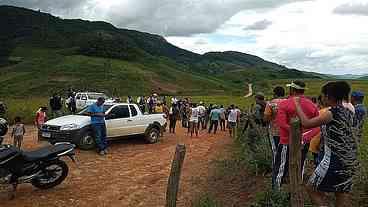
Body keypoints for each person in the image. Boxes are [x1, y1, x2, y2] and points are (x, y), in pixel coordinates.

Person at [295, 81, 357, 207]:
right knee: (341, 192)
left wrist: (297, 105)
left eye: (323, 95)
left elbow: (306, 123)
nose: (322, 98)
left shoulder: (331, 113)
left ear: (330, 97)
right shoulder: (349, 111)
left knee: (311, 188)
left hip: (333, 160)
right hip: (348, 159)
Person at [274, 81, 319, 189]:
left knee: (281, 167)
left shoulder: (284, 104)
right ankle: (296, 190)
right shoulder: (312, 105)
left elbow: (281, 123)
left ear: (292, 90)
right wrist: (304, 137)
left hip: (286, 141)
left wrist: (295, 134)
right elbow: (318, 126)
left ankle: (276, 191)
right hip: (304, 143)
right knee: (300, 166)